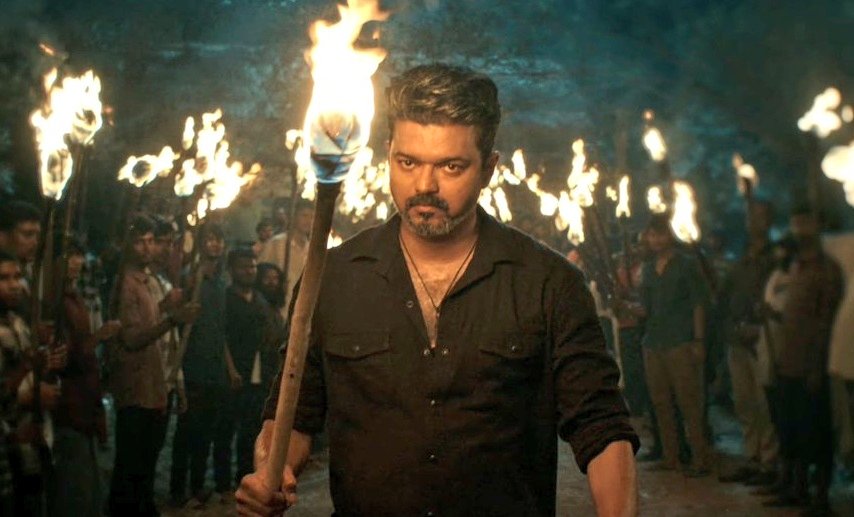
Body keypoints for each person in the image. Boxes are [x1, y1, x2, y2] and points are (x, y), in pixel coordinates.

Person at [237, 63, 638, 516]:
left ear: (488, 169)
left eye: (451, 166)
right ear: (388, 154)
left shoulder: (548, 282)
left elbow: (601, 426)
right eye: (407, 162)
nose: (424, 186)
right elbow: (291, 415)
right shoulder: (331, 278)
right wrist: (270, 471)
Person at [107, 215, 199, 517]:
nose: (147, 248)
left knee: (146, 461)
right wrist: (172, 318)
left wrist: (167, 309)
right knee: (131, 464)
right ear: (127, 245)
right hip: (135, 387)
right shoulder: (126, 284)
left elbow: (155, 327)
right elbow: (132, 338)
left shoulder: (149, 280)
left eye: (150, 241)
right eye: (139, 241)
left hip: (154, 382)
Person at [763, 206, 843, 515]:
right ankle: (795, 489)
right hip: (787, 360)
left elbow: (825, 322)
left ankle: (820, 497)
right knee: (790, 429)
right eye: (796, 223)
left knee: (817, 434)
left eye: (805, 224)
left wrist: (815, 366)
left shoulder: (827, 270)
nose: (799, 230)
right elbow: (792, 315)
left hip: (812, 365)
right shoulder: (795, 267)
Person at [636, 214, 711, 477]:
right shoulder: (647, 268)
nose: (656, 239)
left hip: (680, 342)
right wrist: (623, 306)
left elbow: (698, 303)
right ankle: (671, 457)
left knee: (689, 403)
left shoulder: (687, 264)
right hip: (653, 342)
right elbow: (645, 309)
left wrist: (699, 340)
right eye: (652, 234)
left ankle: (700, 458)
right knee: (661, 403)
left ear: (671, 235)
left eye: (661, 234)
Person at [50, 241, 121, 517]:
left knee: (88, 483)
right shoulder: (53, 301)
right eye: (69, 255)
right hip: (69, 402)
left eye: (78, 255)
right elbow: (69, 356)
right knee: (74, 487)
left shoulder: (74, 295)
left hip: (85, 400)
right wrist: (100, 336)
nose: (76, 262)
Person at [169, 222, 231, 508]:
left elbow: (221, 328)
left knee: (205, 431)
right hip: (192, 364)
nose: (215, 244)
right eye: (210, 239)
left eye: (219, 239)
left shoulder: (222, 282)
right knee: (187, 430)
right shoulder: (190, 278)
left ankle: (197, 485)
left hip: (213, 367)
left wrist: (228, 367)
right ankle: (177, 490)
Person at [718, 201, 779, 485]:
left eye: (760, 216)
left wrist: (758, 327)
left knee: (765, 403)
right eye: (751, 216)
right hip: (737, 338)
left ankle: (769, 461)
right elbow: (727, 297)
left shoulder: (777, 258)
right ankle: (752, 456)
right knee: (744, 401)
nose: (754, 222)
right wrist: (732, 326)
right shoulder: (741, 258)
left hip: (764, 339)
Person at [0, 250, 61, 516]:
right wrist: (13, 435)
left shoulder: (16, 322)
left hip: (29, 445)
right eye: (4, 278)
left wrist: (45, 363)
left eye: (17, 277)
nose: (14, 285)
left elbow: (29, 371)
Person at [217, 249, 283, 490]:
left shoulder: (260, 301)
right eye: (244, 266)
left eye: (253, 266)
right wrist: (231, 369)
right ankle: (222, 482)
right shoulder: (225, 299)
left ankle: (244, 477)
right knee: (225, 429)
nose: (249, 271)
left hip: (259, 376)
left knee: (251, 430)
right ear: (232, 270)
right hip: (233, 373)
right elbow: (221, 336)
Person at [257, 200, 314, 314]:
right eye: (304, 216)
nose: (308, 221)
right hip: (280, 307)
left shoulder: (312, 250)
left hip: (303, 309)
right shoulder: (277, 243)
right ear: (293, 217)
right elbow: (261, 273)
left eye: (312, 217)